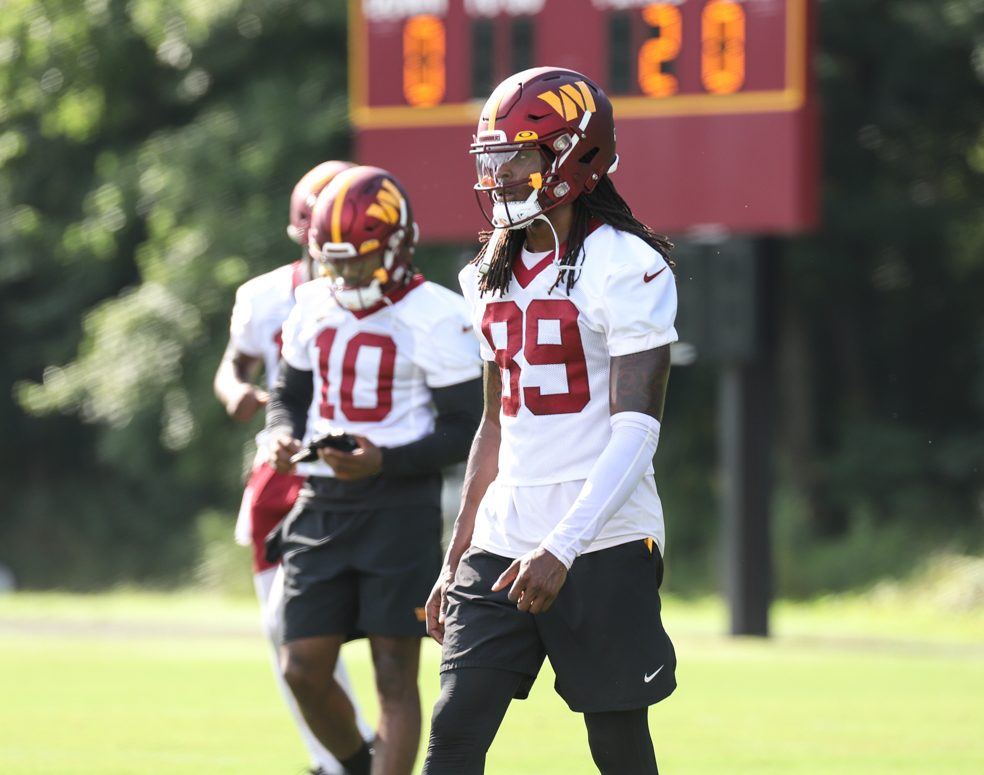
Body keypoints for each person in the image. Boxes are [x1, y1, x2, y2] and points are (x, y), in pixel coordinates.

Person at [421, 67, 679, 775]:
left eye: (521, 157)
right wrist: (456, 556)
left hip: (602, 538)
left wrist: (563, 547)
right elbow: (493, 426)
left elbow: (637, 428)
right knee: (454, 734)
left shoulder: (630, 266)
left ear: (577, 158)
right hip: (503, 538)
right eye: (493, 158)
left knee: (618, 745)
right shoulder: (484, 274)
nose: (501, 175)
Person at [265, 165, 484, 775]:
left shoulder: (437, 314)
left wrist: (385, 461)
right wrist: (281, 436)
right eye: (335, 261)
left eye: (359, 261)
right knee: (301, 667)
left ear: (396, 245)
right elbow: (288, 395)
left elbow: (467, 428)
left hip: (399, 506)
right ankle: (359, 766)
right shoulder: (311, 303)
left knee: (394, 668)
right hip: (322, 500)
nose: (347, 275)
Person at [214, 159, 371, 775]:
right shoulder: (266, 297)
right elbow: (235, 366)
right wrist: (236, 395)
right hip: (285, 475)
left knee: (382, 634)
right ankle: (336, 760)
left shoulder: (401, 303)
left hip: (363, 474)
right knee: (288, 634)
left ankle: (363, 757)